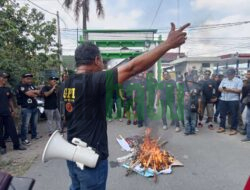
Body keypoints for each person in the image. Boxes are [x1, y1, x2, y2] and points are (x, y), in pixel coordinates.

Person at [62, 22, 189, 190]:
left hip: (70, 153)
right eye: (102, 61)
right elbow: (132, 68)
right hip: (90, 157)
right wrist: (167, 44)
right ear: (97, 60)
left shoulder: (64, 84)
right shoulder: (95, 80)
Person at [0, 71, 26, 155]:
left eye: (6, 78)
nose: (5, 79)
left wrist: (13, 110)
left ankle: (17, 145)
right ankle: (2, 147)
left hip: (7, 113)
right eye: (3, 77)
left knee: (12, 129)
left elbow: (10, 100)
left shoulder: (7, 89)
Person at [217, 68, 243, 135]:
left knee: (234, 115)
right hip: (223, 99)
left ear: (234, 74)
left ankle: (233, 129)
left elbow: (239, 90)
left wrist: (229, 90)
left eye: (230, 74)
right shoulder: (224, 80)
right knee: (222, 114)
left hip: (233, 100)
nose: (229, 76)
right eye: (228, 74)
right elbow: (219, 88)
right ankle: (222, 127)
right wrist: (227, 89)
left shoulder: (239, 81)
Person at [18, 73, 41, 145]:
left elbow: (39, 93)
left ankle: (34, 135)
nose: (29, 80)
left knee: (34, 123)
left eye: (30, 78)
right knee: (25, 124)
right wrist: (34, 92)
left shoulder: (31, 85)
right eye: (27, 78)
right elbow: (29, 94)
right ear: (22, 79)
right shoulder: (20, 86)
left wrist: (34, 92)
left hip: (34, 106)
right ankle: (24, 139)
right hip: (26, 108)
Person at [241, 70, 250, 142]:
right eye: (247, 74)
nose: (247, 75)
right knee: (247, 119)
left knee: (248, 120)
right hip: (247, 103)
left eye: (249, 74)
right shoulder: (246, 82)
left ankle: (248, 136)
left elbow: (244, 93)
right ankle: (245, 131)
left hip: (247, 102)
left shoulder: (247, 84)